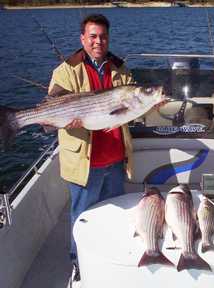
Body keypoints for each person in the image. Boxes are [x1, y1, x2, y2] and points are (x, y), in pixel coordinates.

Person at [48, 14, 134, 286]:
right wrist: (66, 119)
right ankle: (79, 264)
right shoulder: (65, 70)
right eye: (93, 36)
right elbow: (53, 106)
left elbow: (126, 111)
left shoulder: (121, 69)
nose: (99, 41)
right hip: (85, 161)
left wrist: (146, 106)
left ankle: (110, 259)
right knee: (82, 219)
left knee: (113, 214)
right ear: (82, 38)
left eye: (103, 36)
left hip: (115, 159)